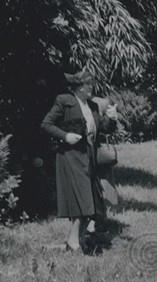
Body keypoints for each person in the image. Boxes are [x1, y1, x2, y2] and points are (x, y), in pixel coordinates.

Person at [41, 69, 118, 253]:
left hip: (88, 158)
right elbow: (46, 124)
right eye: (88, 84)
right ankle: (74, 243)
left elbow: (104, 129)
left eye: (91, 84)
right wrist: (65, 136)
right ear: (78, 87)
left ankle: (74, 241)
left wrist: (112, 119)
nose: (91, 87)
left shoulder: (91, 106)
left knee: (90, 202)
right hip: (71, 157)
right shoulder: (64, 101)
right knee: (82, 202)